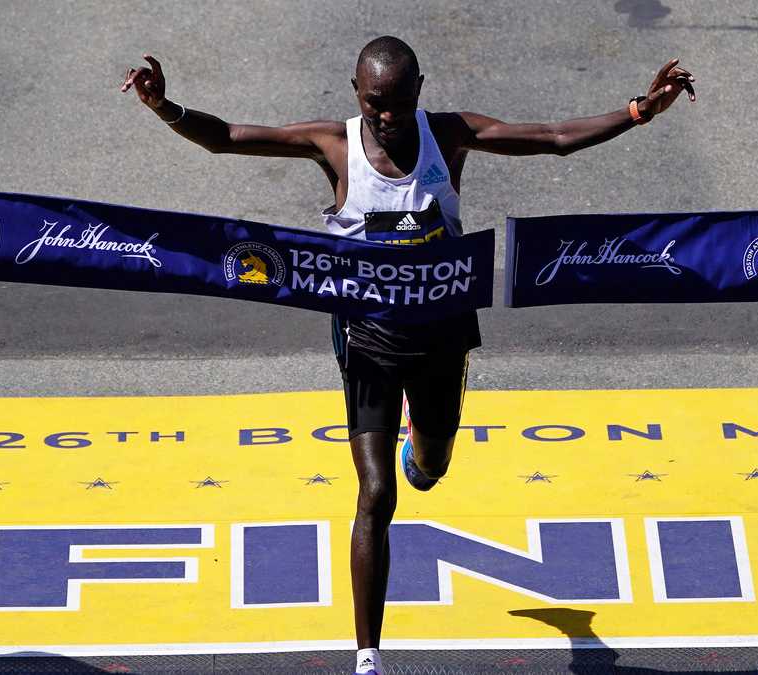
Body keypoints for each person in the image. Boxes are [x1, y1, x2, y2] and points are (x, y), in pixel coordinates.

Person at [122, 36, 694, 675]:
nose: (385, 117)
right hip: (367, 337)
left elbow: (554, 136)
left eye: (396, 104)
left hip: (442, 334)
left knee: (432, 459)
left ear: (419, 90)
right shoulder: (334, 144)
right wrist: (165, 107)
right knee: (375, 494)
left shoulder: (448, 136)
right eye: (373, 105)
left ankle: (424, 456)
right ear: (355, 93)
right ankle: (368, 655)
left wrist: (641, 110)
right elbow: (228, 135)